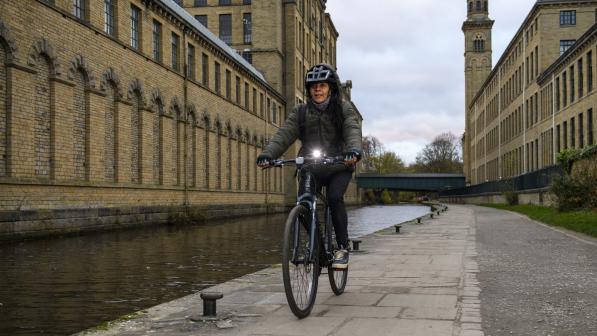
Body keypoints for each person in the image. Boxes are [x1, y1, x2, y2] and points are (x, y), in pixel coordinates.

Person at [256, 63, 362, 269]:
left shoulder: (343, 109)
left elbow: (352, 130)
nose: (318, 89)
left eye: (322, 85)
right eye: (313, 86)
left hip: (339, 164)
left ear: (330, 87)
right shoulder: (301, 112)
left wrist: (354, 151)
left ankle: (342, 247)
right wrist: (268, 154)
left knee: (334, 197)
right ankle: (320, 249)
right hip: (311, 165)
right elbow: (284, 134)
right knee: (303, 205)